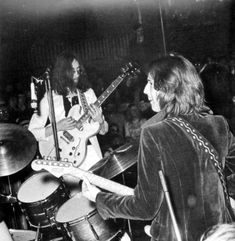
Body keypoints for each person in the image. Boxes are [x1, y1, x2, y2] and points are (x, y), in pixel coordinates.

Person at [82, 54, 235, 241]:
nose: (146, 91)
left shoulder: (154, 133)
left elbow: (145, 207)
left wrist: (100, 199)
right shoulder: (218, 124)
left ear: (166, 88)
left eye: (150, 83)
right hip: (220, 234)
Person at [28, 51, 108, 180]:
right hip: (64, 158)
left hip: (91, 155)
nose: (76, 75)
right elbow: (31, 133)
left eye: (78, 70)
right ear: (62, 72)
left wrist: (100, 120)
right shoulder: (49, 98)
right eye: (72, 71)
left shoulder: (88, 94)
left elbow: (104, 131)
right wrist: (56, 127)